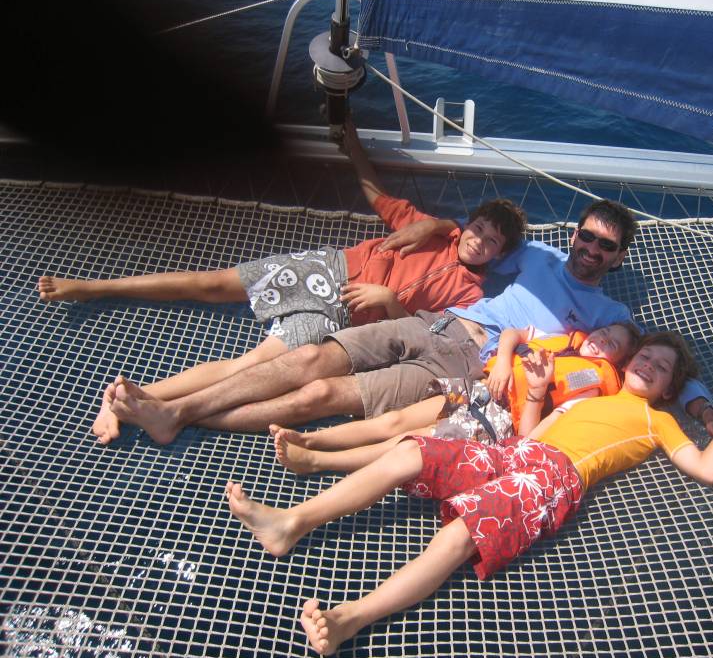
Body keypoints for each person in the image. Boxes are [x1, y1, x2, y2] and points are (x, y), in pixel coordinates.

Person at [224, 331, 713, 655]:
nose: (650, 366)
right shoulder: (586, 398)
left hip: (551, 479)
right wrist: (538, 389)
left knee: (462, 534)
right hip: (517, 453)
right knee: (411, 451)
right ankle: (292, 521)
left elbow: (707, 470)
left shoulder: (657, 420)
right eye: (647, 358)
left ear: (670, 388)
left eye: (662, 368)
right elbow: (531, 432)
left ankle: (351, 619)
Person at [46, 118, 525, 444]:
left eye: (492, 242)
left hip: (346, 317)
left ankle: (136, 399)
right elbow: (376, 194)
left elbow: (419, 329)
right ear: (468, 223)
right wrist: (352, 144)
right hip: (330, 268)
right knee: (213, 284)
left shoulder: (471, 294)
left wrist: (387, 300)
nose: (479, 242)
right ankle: (94, 287)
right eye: (479, 229)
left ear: (500, 254)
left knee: (252, 365)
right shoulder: (430, 227)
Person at [104, 198, 713, 446]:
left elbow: (662, 363)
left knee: (322, 396)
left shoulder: (614, 317)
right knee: (310, 358)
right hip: (435, 321)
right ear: (575, 234)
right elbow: (473, 239)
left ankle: (176, 415)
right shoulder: (535, 256)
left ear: (619, 257)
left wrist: (704, 409)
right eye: (586, 236)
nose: (590, 249)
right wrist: (430, 225)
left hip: (467, 368)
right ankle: (173, 412)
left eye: (605, 246)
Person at [270, 321, 641, 474]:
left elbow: (542, 430)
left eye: (612, 345)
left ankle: (318, 461)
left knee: (409, 439)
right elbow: (512, 334)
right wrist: (504, 361)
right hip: (482, 388)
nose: (602, 341)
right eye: (605, 332)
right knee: (395, 419)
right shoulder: (566, 338)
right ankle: (312, 439)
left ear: (618, 362)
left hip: (500, 420)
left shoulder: (594, 385)